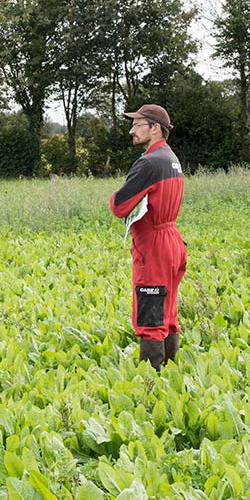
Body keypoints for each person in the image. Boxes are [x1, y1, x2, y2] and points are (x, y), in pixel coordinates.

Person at [110, 104, 187, 369]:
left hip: (154, 246)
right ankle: (171, 374)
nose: (132, 130)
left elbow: (119, 205)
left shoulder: (149, 163)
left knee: (150, 316)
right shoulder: (172, 159)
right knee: (168, 313)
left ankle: (151, 384)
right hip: (173, 241)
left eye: (137, 124)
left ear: (154, 128)